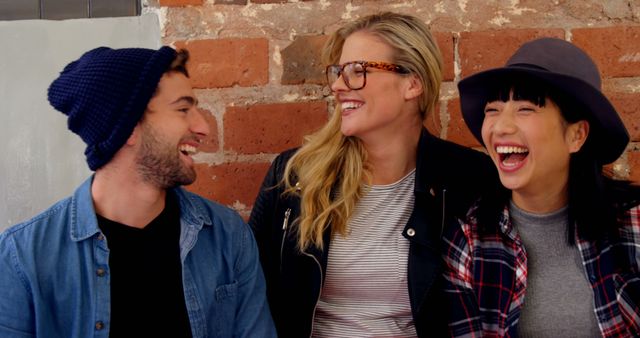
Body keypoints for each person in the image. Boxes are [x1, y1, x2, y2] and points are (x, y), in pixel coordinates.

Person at [249, 12, 497, 337]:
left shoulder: (465, 178)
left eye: (357, 71)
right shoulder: (295, 175)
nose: (338, 86)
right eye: (338, 72)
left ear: (412, 83)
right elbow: (248, 291)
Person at [0, 46, 276, 337]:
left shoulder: (226, 234)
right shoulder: (23, 256)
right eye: (183, 109)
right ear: (128, 127)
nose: (202, 126)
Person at [443, 37, 640, 337]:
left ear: (576, 135)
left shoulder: (633, 225)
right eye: (492, 110)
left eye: (525, 109)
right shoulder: (470, 241)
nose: (500, 127)